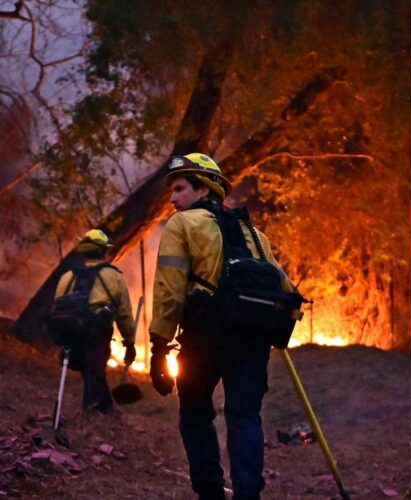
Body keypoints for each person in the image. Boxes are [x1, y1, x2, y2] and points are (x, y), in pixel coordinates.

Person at [149, 153, 296, 500]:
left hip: (204, 337)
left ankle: (210, 493)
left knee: (196, 413)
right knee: (245, 417)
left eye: (180, 189)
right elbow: (284, 287)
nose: (172, 199)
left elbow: (169, 288)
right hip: (252, 337)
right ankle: (248, 495)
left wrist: (159, 345)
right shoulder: (254, 232)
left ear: (204, 188)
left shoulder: (183, 224)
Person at [54, 229, 136, 414]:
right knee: (95, 370)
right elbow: (124, 314)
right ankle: (94, 412)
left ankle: (104, 409)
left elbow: (57, 306)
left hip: (71, 331)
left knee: (92, 371)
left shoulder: (67, 277)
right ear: (104, 251)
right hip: (96, 331)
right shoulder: (113, 276)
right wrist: (129, 342)